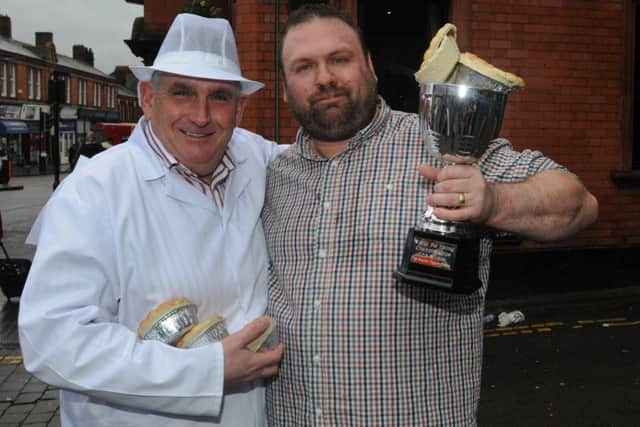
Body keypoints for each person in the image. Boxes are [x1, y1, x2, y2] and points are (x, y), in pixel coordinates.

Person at [263, 4, 598, 426]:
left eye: (339, 59)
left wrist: (494, 202)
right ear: (285, 86)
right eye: (303, 67)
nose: (324, 77)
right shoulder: (271, 176)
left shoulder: (443, 144)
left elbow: (578, 203)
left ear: (368, 65)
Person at [18, 14, 283, 427]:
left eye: (219, 97)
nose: (200, 115)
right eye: (182, 92)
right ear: (147, 97)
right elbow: (51, 339)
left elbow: (334, 166)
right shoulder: (95, 190)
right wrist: (206, 373)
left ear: (241, 106)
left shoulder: (259, 160)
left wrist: (422, 183)